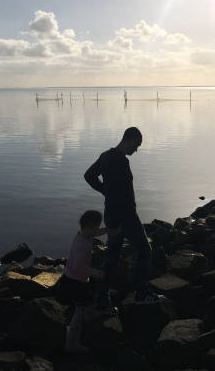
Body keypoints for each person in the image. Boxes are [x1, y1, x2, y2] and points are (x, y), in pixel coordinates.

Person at [84, 127, 164, 311]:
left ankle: (103, 300)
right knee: (144, 251)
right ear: (129, 139)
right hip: (126, 216)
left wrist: (105, 191)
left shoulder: (105, 156)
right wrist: (110, 194)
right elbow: (123, 194)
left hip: (111, 214)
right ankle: (141, 293)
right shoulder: (120, 161)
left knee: (111, 259)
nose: (136, 150)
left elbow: (89, 176)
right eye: (137, 145)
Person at [55, 210, 115, 353]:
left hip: (71, 278)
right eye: (96, 226)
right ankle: (71, 344)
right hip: (76, 282)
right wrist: (96, 273)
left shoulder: (81, 235)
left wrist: (108, 230)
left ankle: (90, 313)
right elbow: (79, 267)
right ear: (89, 226)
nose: (96, 230)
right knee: (79, 313)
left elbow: (94, 233)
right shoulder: (84, 244)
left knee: (83, 306)